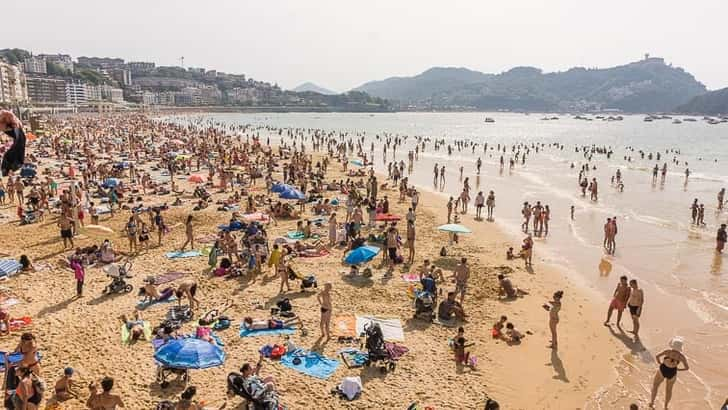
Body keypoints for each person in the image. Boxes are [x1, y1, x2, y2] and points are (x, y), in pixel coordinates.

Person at [649, 337, 689, 409]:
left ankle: (652, 403)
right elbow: (687, 368)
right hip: (672, 372)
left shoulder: (668, 352)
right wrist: (678, 369)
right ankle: (665, 406)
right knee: (669, 390)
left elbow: (657, 356)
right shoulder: (681, 357)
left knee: (655, 386)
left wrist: (659, 362)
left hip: (663, 369)